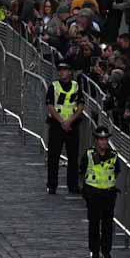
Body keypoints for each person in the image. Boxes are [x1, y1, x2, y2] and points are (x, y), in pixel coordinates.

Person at [81, 126, 120, 258]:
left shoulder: (114, 156)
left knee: (108, 223)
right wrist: (85, 190)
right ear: (96, 140)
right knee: (94, 222)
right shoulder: (88, 154)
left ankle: (106, 250)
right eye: (101, 139)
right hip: (93, 193)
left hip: (108, 194)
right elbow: (82, 171)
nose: (103, 142)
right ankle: (94, 249)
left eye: (105, 139)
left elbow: (116, 172)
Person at [45, 62, 83, 195]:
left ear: (70, 72)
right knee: (53, 157)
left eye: (65, 70)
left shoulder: (76, 86)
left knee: (73, 158)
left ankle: (73, 186)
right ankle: (52, 185)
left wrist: (69, 121)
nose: (62, 72)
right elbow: (50, 106)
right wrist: (62, 122)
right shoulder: (53, 87)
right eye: (60, 70)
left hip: (72, 126)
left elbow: (80, 106)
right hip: (56, 126)